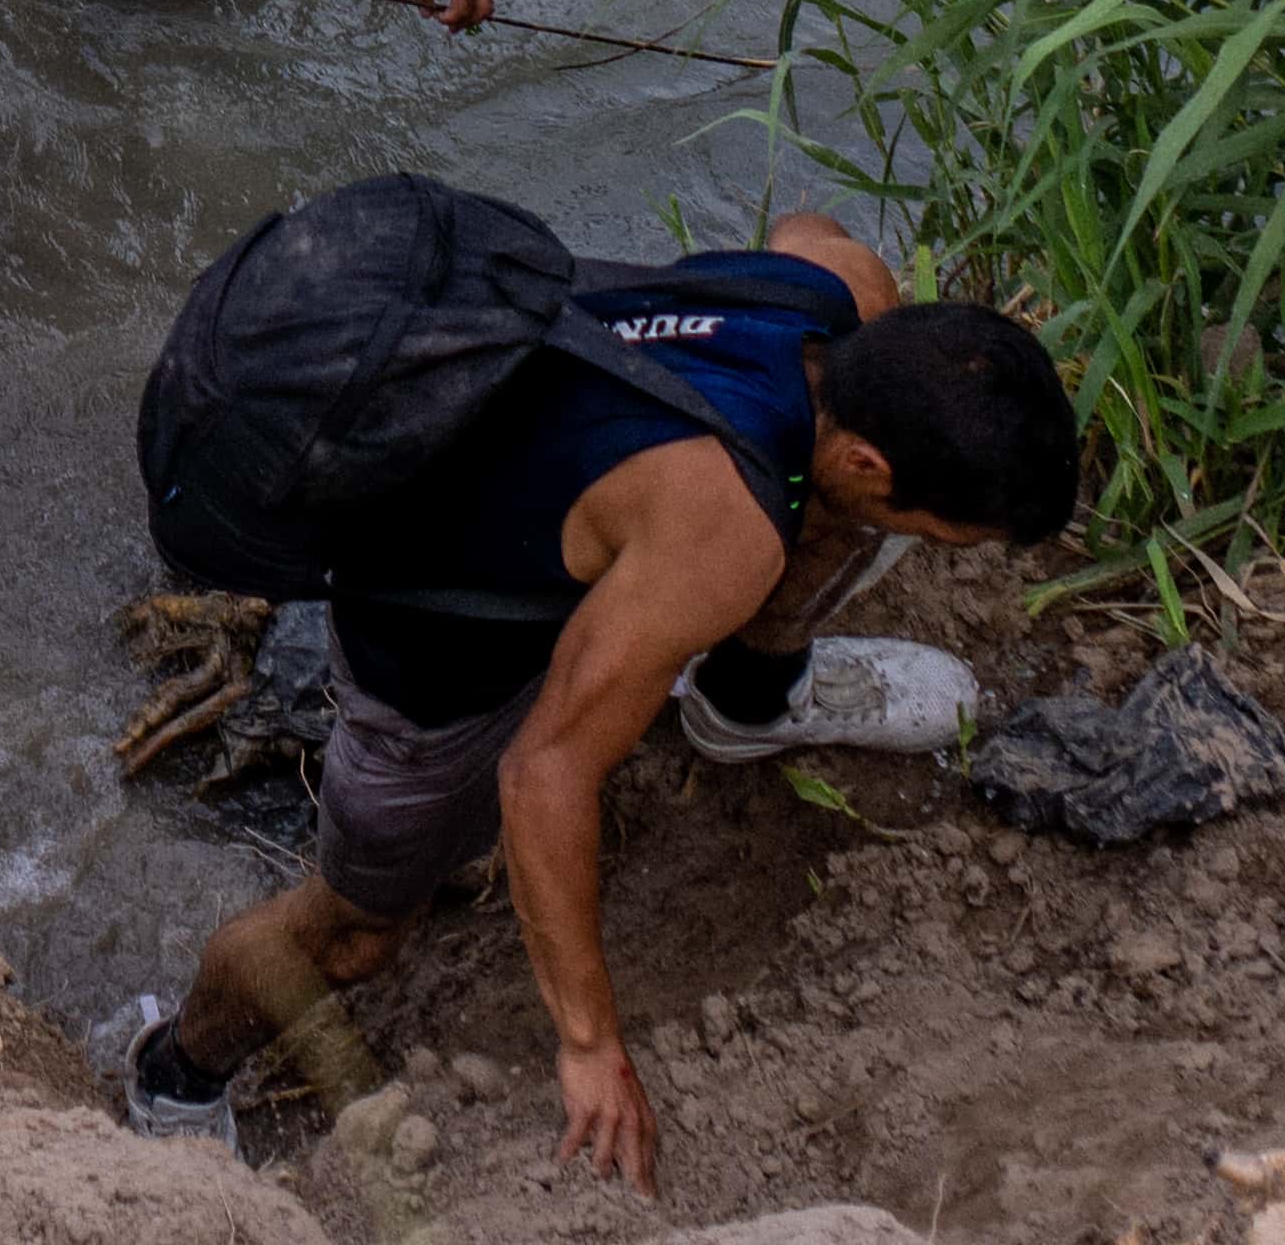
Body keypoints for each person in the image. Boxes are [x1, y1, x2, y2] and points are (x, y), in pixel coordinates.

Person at [121, 203, 1080, 1188]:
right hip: (432, 644)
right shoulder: (723, 524)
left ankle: (749, 696)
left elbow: (799, 220)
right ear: (869, 457)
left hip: (568, 480)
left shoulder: (842, 284)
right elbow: (542, 773)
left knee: (830, 524)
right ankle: (175, 1078)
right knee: (356, 931)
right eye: (952, 529)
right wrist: (587, 1039)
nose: (952, 549)